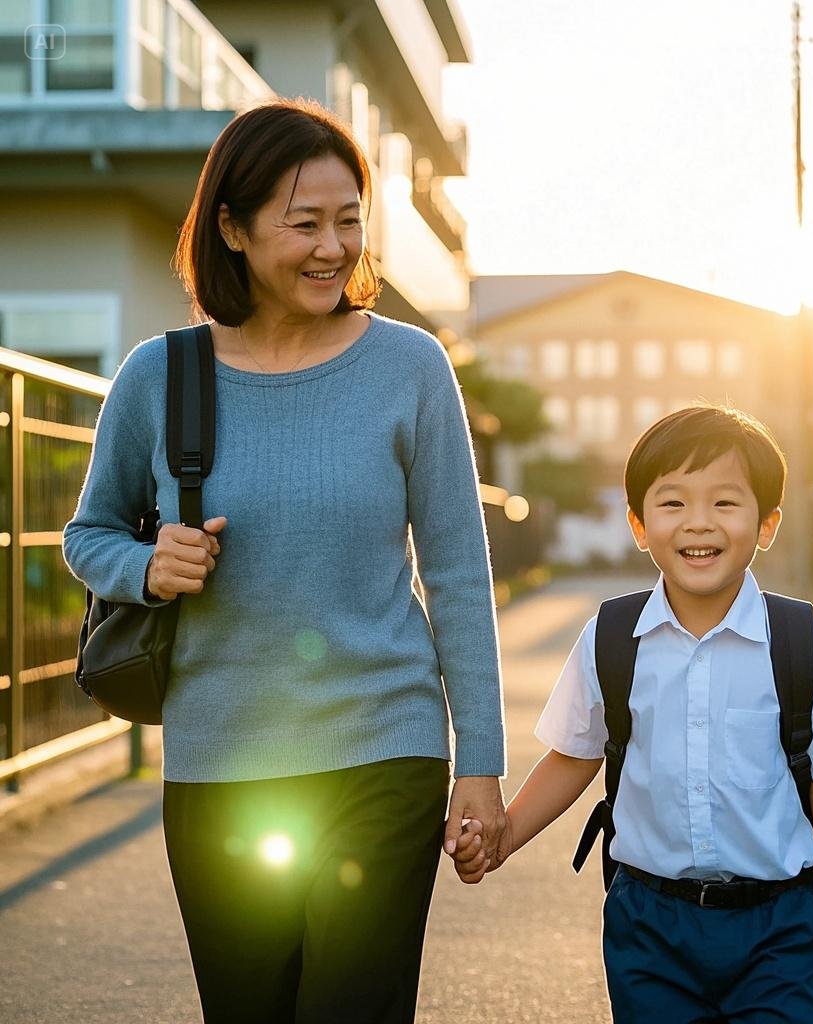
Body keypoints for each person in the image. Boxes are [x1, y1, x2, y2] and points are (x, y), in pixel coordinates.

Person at [63, 97, 507, 1024]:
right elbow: (88, 535)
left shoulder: (410, 367)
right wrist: (147, 568)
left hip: (385, 746)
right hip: (219, 759)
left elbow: (458, 573)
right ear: (231, 227)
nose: (332, 246)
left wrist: (481, 763)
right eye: (304, 223)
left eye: (349, 221)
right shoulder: (161, 376)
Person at [451, 404, 813, 1022]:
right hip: (650, 924)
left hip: (778, 925)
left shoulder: (804, 642)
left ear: (767, 524)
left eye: (726, 503)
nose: (698, 524)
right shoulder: (611, 637)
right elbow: (573, 758)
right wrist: (502, 839)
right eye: (673, 502)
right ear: (638, 523)